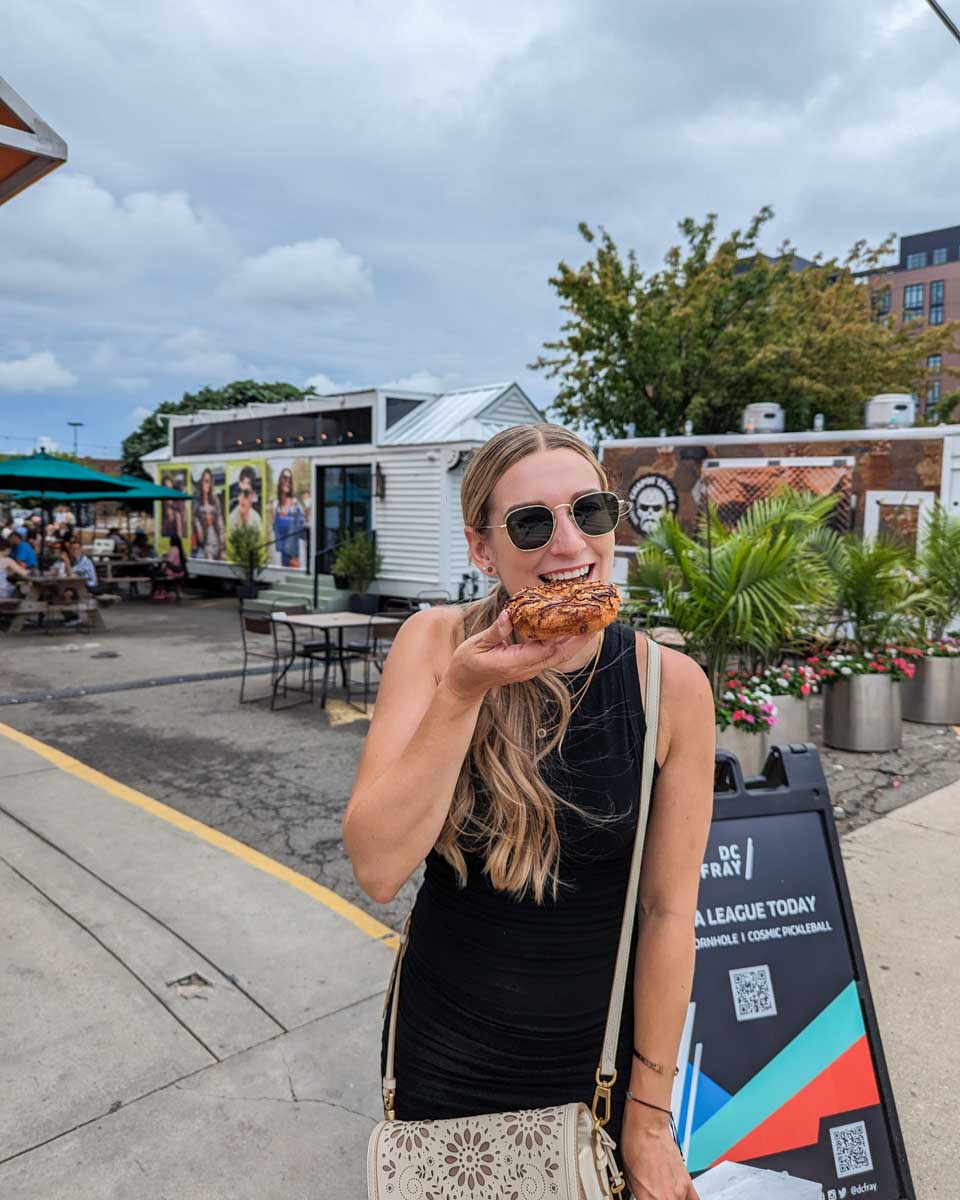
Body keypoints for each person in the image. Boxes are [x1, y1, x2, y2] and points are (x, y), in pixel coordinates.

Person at [343, 425, 714, 1200]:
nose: (569, 543)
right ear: (483, 549)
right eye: (532, 523)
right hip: (444, 1047)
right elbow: (378, 867)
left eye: (590, 511)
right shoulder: (433, 645)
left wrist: (647, 1120)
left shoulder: (669, 685)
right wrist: (463, 692)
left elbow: (669, 911)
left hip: (594, 1058)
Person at [272, 467, 307, 568]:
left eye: (290, 480)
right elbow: (275, 531)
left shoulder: (296, 506)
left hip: (293, 557)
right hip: (280, 557)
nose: (287, 481)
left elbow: (302, 533)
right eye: (285, 478)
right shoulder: (276, 505)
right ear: (280, 480)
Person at [192, 467, 226, 561]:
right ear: (201, 482)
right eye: (206, 481)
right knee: (210, 563)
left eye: (210, 481)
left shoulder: (214, 499)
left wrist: (222, 546)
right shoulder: (198, 501)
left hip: (216, 539)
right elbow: (193, 516)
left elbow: (220, 520)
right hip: (205, 543)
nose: (208, 484)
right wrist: (198, 526)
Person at [228, 465, 263, 536]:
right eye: (239, 492)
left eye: (246, 493)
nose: (241, 498)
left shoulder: (257, 519)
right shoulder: (231, 519)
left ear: (253, 495)